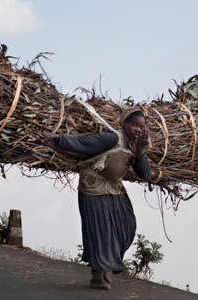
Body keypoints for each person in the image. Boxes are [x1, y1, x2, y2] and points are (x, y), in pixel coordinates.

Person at [41, 106, 150, 291]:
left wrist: (141, 152)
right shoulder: (113, 138)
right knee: (101, 231)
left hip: (114, 189)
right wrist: (59, 138)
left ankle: (108, 264)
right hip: (93, 187)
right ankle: (99, 275)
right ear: (124, 124)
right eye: (134, 125)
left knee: (127, 226)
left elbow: (144, 174)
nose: (138, 129)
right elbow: (85, 143)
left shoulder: (136, 145)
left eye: (142, 126)